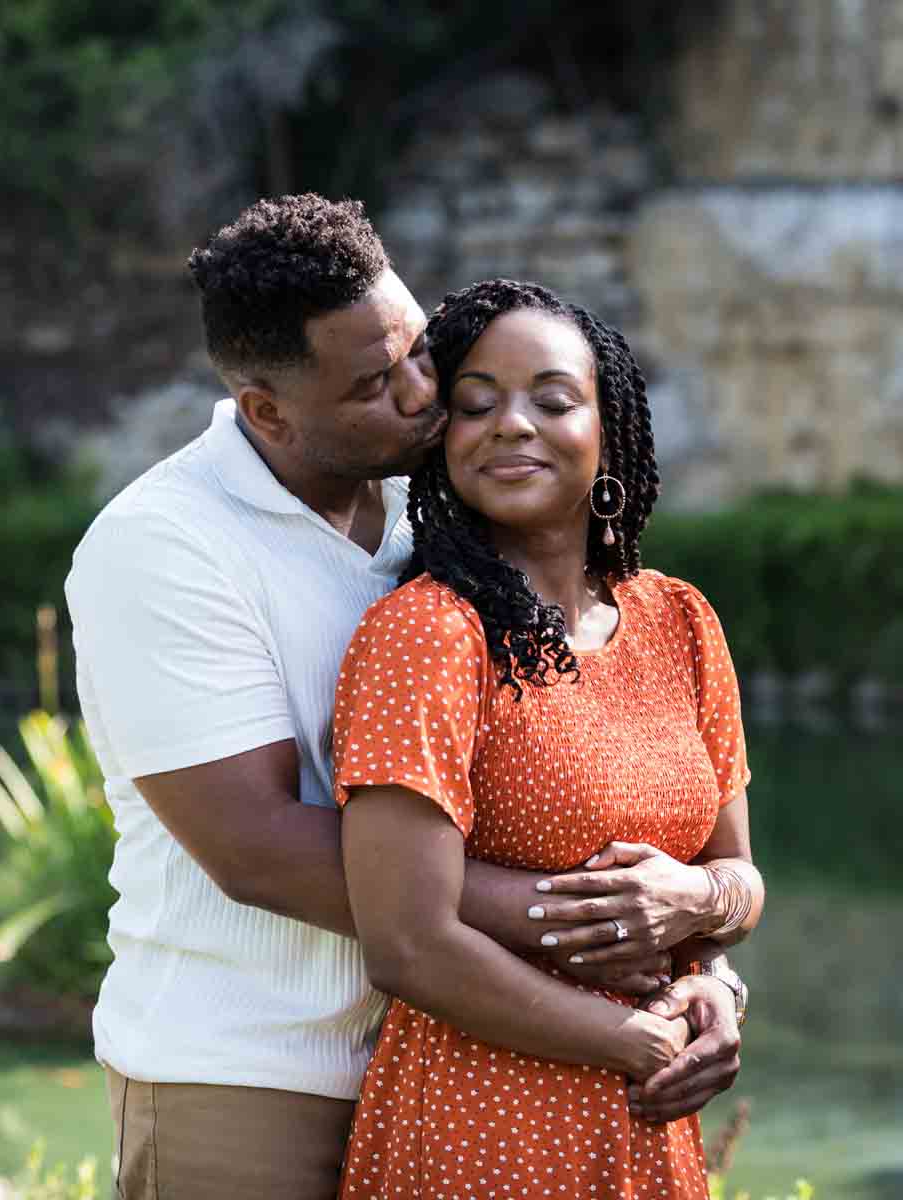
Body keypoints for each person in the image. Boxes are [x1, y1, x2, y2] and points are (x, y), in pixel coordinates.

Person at [65, 198, 743, 1200]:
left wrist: (702, 935)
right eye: (378, 384)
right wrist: (599, 926)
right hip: (249, 1073)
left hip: (455, 1049)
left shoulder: (430, 520)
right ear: (269, 411)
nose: (424, 394)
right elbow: (256, 848)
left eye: (420, 349)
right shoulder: (164, 547)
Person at [331, 278, 765, 1199]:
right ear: (441, 440)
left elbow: (738, 877)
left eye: (552, 400)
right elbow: (406, 942)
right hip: (481, 1126)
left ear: (610, 428)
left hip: (650, 1123)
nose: (510, 426)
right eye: (474, 405)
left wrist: (712, 976)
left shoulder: (680, 622)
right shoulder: (429, 634)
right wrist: (627, 1037)